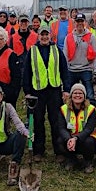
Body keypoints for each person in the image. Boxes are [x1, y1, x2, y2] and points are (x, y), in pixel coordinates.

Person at [23, 25, 69, 163]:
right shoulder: (32, 51)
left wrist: (66, 89)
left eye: (46, 34)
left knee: (56, 121)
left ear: (50, 36)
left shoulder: (57, 51)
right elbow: (26, 73)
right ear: (38, 36)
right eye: (42, 34)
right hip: (37, 91)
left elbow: (64, 71)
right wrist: (27, 92)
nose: (44, 37)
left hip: (54, 90)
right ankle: (38, 151)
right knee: (37, 121)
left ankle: (59, 151)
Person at [55, 84, 96, 174]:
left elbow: (89, 129)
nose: (77, 95)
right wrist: (69, 139)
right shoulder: (63, 109)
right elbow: (61, 128)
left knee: (89, 142)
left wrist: (76, 138)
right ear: (71, 96)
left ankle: (88, 162)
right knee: (60, 141)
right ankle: (72, 159)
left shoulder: (91, 109)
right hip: (71, 139)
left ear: (84, 96)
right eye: (75, 93)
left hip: (86, 139)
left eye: (80, 93)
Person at [63, 13, 96, 105]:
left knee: (90, 95)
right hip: (71, 70)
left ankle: (91, 114)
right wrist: (64, 71)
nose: (80, 23)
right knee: (71, 95)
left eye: (82, 21)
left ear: (85, 23)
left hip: (86, 69)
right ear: (74, 23)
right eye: (78, 21)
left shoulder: (91, 37)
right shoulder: (68, 37)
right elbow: (65, 55)